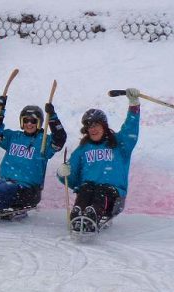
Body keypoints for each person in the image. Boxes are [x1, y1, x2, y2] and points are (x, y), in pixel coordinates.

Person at [57, 88, 140, 233]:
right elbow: (71, 178)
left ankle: (92, 215)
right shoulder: (83, 149)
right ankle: (78, 213)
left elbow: (130, 129)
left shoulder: (120, 143)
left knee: (102, 190)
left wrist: (134, 105)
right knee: (86, 188)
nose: (92, 129)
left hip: (114, 196)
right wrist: (62, 173)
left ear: (104, 125)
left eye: (96, 125)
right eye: (89, 126)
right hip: (89, 191)